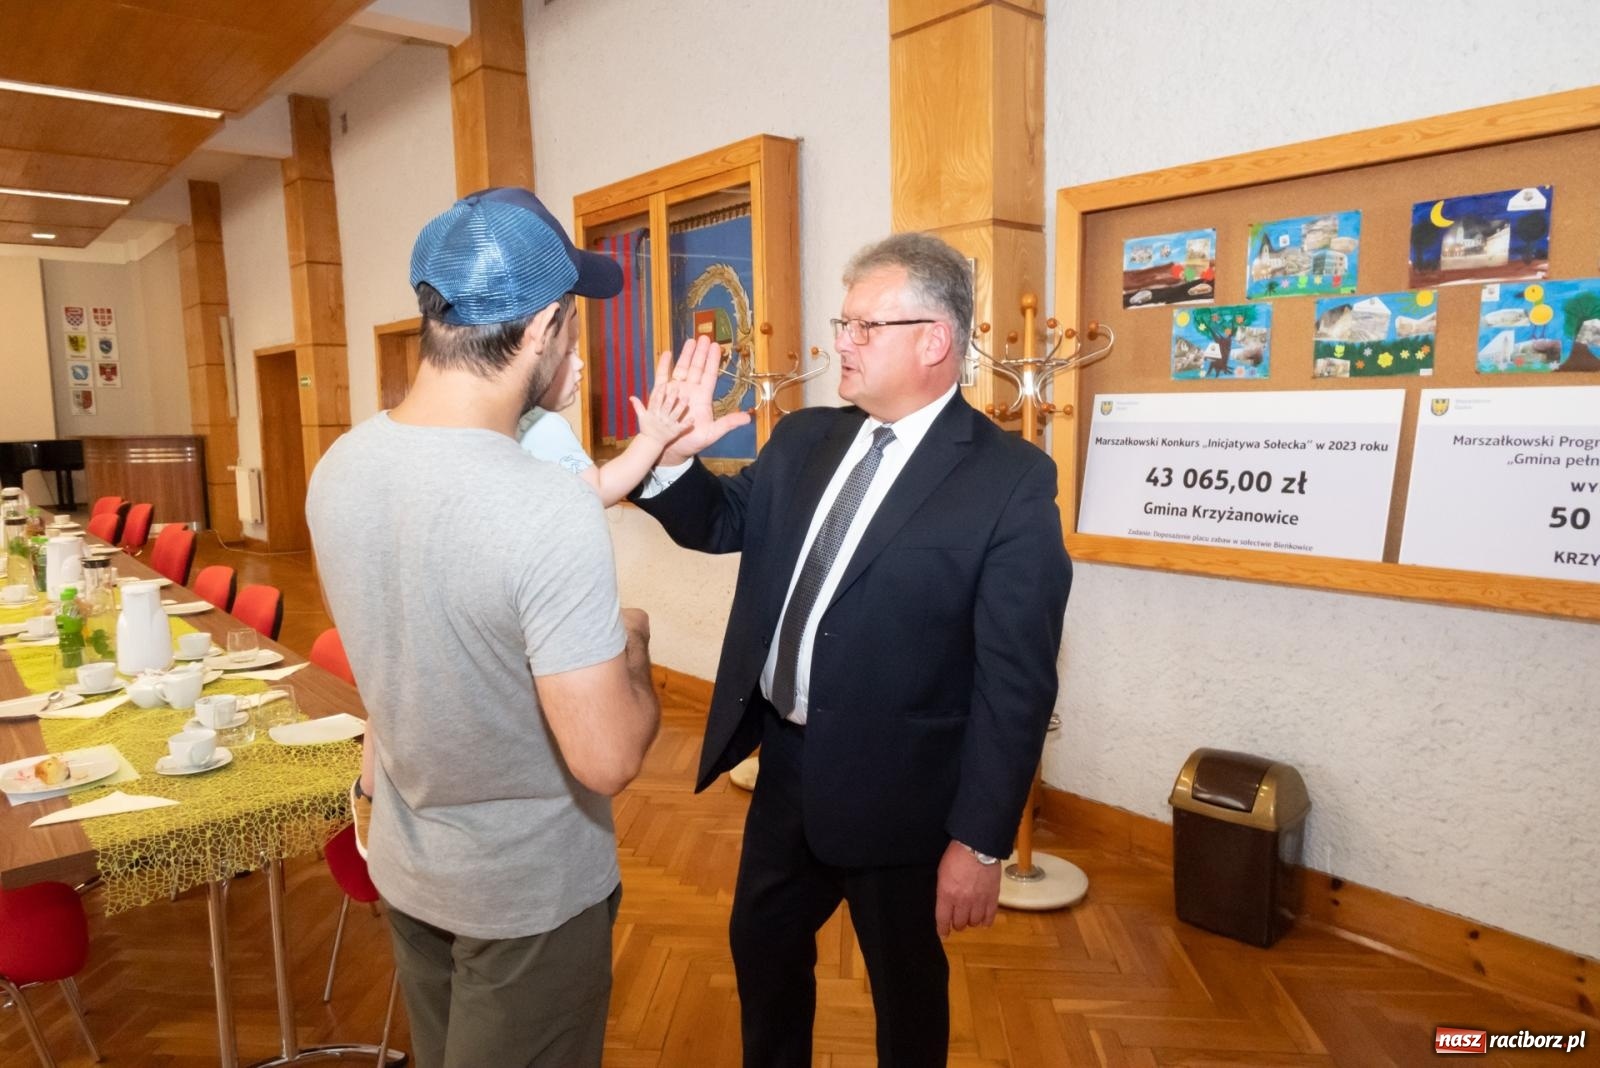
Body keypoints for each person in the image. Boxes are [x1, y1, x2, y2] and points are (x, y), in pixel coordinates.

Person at [630, 232, 1072, 1066]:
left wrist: (979, 843)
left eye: (865, 327)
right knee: (761, 955)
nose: (843, 342)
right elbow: (721, 523)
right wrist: (670, 463)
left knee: (907, 995)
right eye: (844, 323)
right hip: (787, 773)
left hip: (905, 797)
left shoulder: (1009, 481)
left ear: (934, 341)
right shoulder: (805, 438)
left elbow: (1016, 683)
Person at [307, 186, 662, 1068]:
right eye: (573, 324)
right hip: (527, 895)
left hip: (409, 863)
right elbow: (607, 758)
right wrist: (636, 652)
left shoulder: (340, 467)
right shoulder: (543, 507)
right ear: (544, 329)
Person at [348, 312, 690, 855]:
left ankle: (369, 789)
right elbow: (592, 489)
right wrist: (651, 443)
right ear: (536, 338)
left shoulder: (391, 451)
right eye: (569, 350)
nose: (579, 368)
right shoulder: (545, 428)